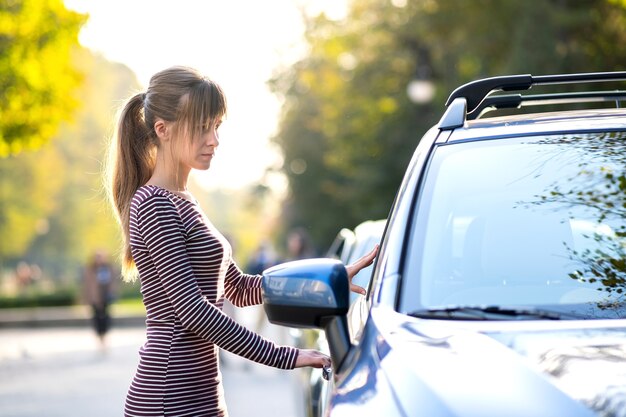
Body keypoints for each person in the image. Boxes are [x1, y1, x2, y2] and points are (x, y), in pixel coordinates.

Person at [106, 66, 377, 417]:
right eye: (202, 127)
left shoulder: (184, 200)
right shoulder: (154, 203)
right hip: (168, 397)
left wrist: (326, 280)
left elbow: (237, 287)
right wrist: (285, 356)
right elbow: (193, 311)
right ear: (163, 130)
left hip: (201, 394)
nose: (214, 140)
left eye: (216, 126)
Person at [82, 250, 117, 348]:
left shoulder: (109, 268)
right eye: (97, 257)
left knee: (106, 319)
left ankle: (104, 337)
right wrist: (86, 299)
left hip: (106, 297)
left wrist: (112, 292)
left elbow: (113, 282)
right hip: (94, 298)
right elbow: (87, 286)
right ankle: (100, 338)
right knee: (96, 319)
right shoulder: (90, 269)